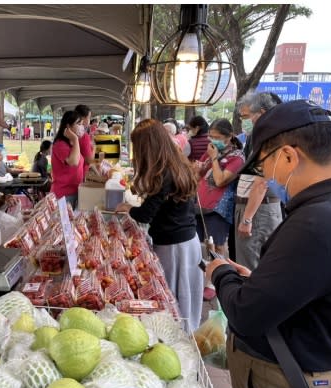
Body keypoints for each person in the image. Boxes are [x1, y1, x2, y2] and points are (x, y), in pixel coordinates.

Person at [206, 100, 331, 388]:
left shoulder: (315, 222)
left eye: (264, 166)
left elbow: (247, 316)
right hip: (325, 358)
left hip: (286, 376)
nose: (266, 177)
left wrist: (221, 273)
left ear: (289, 157)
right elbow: (319, 284)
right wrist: (261, 282)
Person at [115, 118, 203, 330]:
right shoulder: (176, 162)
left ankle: (179, 342)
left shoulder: (163, 172)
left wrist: (129, 209)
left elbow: (146, 214)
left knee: (173, 301)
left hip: (173, 246)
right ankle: (185, 337)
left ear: (148, 146)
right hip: (188, 240)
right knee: (185, 300)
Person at [234, 91, 284, 270]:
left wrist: (247, 218)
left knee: (249, 266)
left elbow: (262, 181)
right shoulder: (269, 137)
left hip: (257, 209)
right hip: (258, 207)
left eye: (248, 116)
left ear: (262, 113)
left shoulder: (268, 139)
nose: (249, 121)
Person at [195, 118, 245, 259]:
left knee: (217, 245)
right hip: (200, 205)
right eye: (211, 136)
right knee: (198, 244)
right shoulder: (211, 150)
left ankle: (219, 276)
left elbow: (220, 180)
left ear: (229, 136)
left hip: (219, 209)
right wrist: (197, 170)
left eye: (217, 137)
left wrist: (214, 158)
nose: (213, 140)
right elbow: (198, 176)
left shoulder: (237, 157)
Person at [50, 109, 85, 207]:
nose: (81, 127)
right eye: (78, 123)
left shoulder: (72, 144)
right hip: (63, 195)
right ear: (68, 126)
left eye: (82, 124)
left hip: (74, 192)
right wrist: (75, 138)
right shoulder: (60, 144)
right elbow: (73, 162)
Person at [74, 104, 96, 177]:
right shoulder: (83, 136)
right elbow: (89, 160)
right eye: (89, 117)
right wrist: (94, 146)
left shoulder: (69, 132)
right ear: (83, 118)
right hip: (80, 174)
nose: (89, 120)